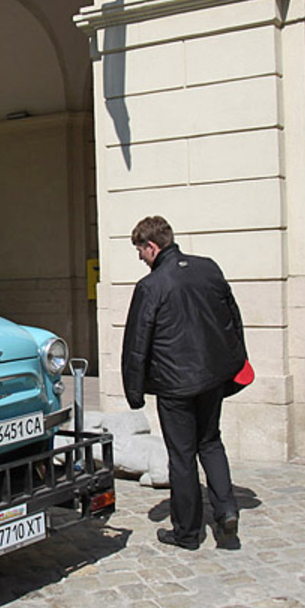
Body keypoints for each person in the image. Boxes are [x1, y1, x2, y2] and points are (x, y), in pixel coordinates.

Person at [121, 215, 247, 550]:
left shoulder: (151, 286)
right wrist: (235, 363)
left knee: (182, 456)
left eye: (140, 251)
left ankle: (187, 533)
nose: (140, 258)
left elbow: (137, 342)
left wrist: (134, 391)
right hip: (211, 377)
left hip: (174, 384)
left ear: (152, 246)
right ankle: (226, 511)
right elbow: (233, 320)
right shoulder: (208, 268)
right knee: (211, 442)